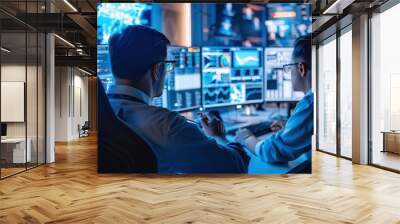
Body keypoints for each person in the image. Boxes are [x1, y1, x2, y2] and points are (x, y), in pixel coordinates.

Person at [106, 25, 248, 174]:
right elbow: (234, 166)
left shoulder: (100, 113)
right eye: (168, 66)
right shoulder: (167, 126)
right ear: (157, 70)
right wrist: (218, 137)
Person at [235, 35, 313, 166]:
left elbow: (272, 152)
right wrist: (292, 129)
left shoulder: (311, 103)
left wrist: (246, 138)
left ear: (301, 68)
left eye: (289, 67)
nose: (288, 72)